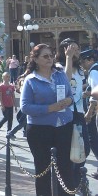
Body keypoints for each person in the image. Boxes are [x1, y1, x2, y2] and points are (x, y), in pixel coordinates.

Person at [21, 43, 74, 196]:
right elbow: (25, 107)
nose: (49, 58)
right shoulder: (30, 80)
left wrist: (68, 101)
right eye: (45, 56)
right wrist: (50, 108)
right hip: (40, 129)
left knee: (65, 167)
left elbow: (70, 95)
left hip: (64, 126)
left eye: (51, 55)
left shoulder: (60, 74)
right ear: (36, 59)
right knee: (43, 169)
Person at [59, 39, 91, 189]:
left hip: (79, 113)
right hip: (67, 114)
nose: (77, 53)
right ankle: (71, 183)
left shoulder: (79, 69)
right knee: (71, 150)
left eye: (77, 50)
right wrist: (68, 58)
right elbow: (66, 81)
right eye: (74, 49)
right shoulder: (59, 67)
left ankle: (78, 180)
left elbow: (77, 85)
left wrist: (86, 92)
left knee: (84, 148)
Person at [80, 48, 98, 180]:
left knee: (93, 139)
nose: (82, 64)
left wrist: (89, 112)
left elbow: (96, 94)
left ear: (90, 60)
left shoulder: (94, 72)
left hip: (95, 112)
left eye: (84, 61)